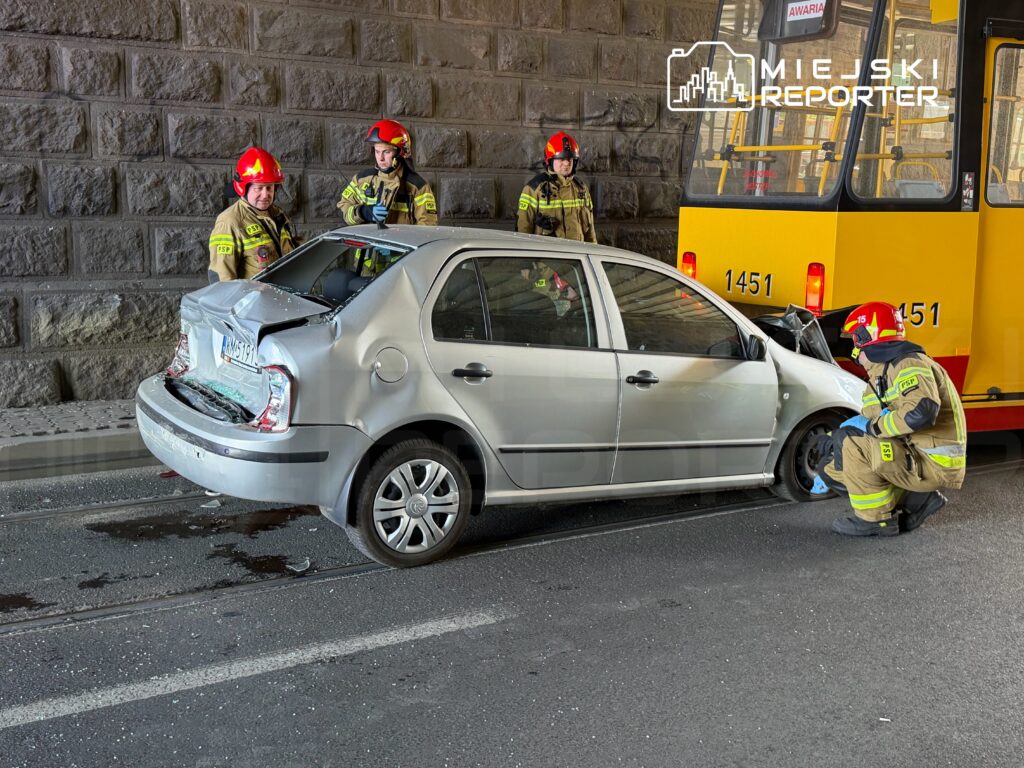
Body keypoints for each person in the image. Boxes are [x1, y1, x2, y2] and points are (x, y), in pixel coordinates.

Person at [814, 302, 967, 536]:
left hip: (933, 463)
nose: (853, 348)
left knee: (852, 444)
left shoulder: (908, 364)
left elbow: (922, 412)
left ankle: (876, 521)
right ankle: (916, 500)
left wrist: (870, 428)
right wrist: (834, 437)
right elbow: (869, 420)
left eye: (855, 339)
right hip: (914, 455)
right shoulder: (882, 373)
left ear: (866, 338)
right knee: (831, 467)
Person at [208, 147, 296, 283]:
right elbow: (223, 283)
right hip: (255, 297)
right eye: (258, 188)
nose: (265, 195)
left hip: (286, 294)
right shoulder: (230, 222)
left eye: (269, 188)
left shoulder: (278, 215)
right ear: (244, 187)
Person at [337, 119, 437, 227]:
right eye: (377, 151)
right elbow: (343, 209)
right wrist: (363, 212)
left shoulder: (418, 187)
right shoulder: (361, 180)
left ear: (400, 152)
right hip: (368, 239)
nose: (380, 158)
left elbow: (427, 228)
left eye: (386, 152)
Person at [516, 131, 597, 243]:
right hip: (548, 254)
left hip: (578, 253)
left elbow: (590, 234)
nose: (566, 163)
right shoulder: (534, 189)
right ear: (550, 160)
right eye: (561, 159)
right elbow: (523, 234)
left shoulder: (582, 190)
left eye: (570, 159)